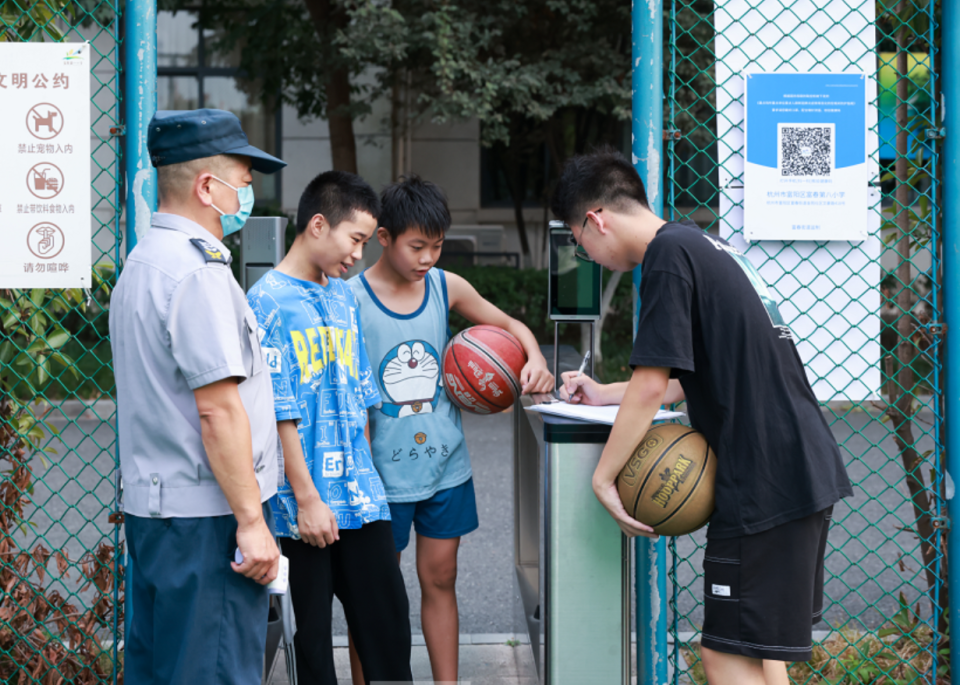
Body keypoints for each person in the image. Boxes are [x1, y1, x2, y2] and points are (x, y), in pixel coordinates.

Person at [550, 147, 852, 685]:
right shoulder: (703, 245)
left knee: (722, 656)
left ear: (596, 219)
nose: (587, 255)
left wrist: (604, 479)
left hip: (763, 482)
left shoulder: (667, 257)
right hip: (798, 468)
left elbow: (650, 386)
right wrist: (603, 393)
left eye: (580, 242)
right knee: (759, 653)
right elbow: (683, 379)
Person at [345, 174, 555, 683]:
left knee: (441, 579)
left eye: (437, 246)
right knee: (374, 596)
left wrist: (534, 358)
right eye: (417, 246)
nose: (428, 258)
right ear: (384, 237)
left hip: (445, 468)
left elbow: (512, 327)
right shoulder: (347, 298)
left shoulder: (445, 285)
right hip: (379, 478)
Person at [110, 108, 285, 684]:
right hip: (208, 521)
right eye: (244, 181)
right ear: (208, 187)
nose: (248, 194)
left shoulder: (141, 264)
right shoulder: (197, 274)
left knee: (162, 670)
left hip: (158, 514)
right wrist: (252, 522)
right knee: (214, 671)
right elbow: (217, 408)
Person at [247, 171, 413, 685]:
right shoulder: (266, 302)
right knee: (313, 645)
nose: (359, 254)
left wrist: (365, 477)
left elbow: (361, 397)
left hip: (361, 499)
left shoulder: (343, 297)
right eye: (356, 239)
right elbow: (278, 411)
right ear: (318, 225)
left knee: (388, 630)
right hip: (302, 507)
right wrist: (306, 499)